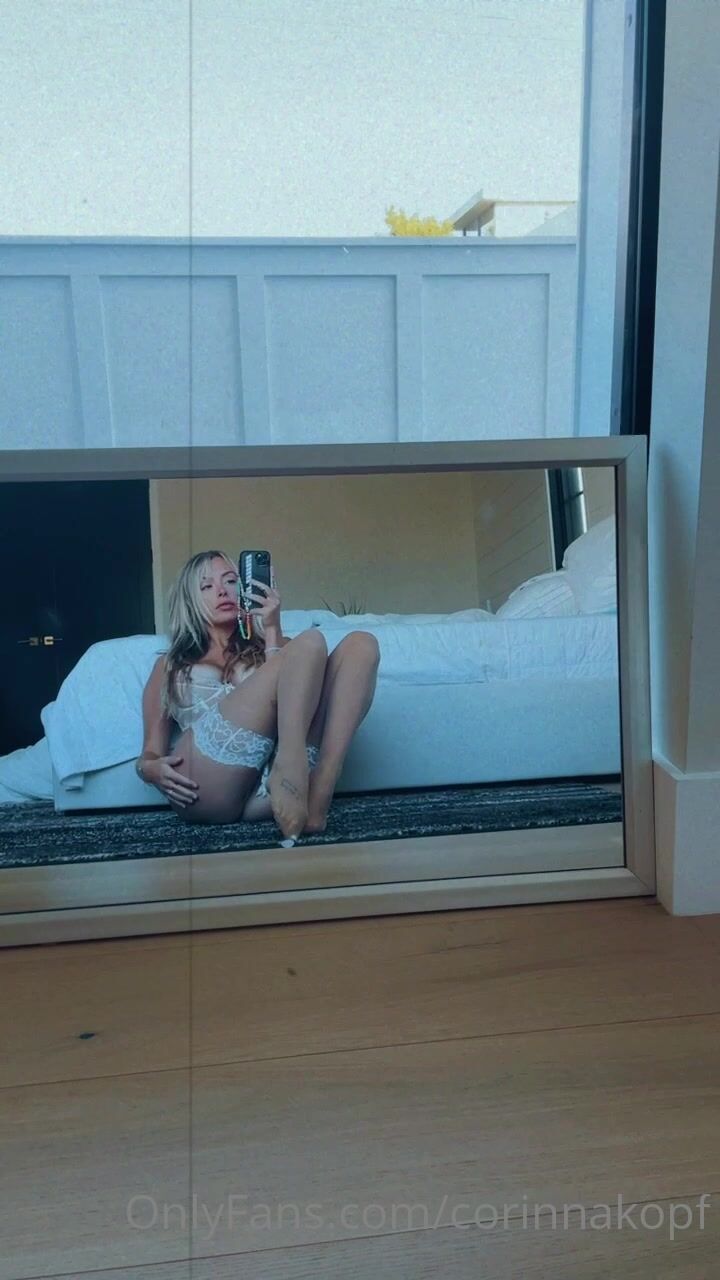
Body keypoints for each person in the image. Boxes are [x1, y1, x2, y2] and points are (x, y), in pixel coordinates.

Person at [136, 550, 380, 842]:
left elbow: (289, 695)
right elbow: (150, 751)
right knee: (310, 641)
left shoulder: (284, 648)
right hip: (205, 786)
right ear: (189, 601)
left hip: (267, 789)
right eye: (207, 586)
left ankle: (320, 789)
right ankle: (291, 765)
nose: (223, 591)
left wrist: (272, 631)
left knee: (361, 644)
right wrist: (149, 769)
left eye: (231, 581)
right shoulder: (169, 664)